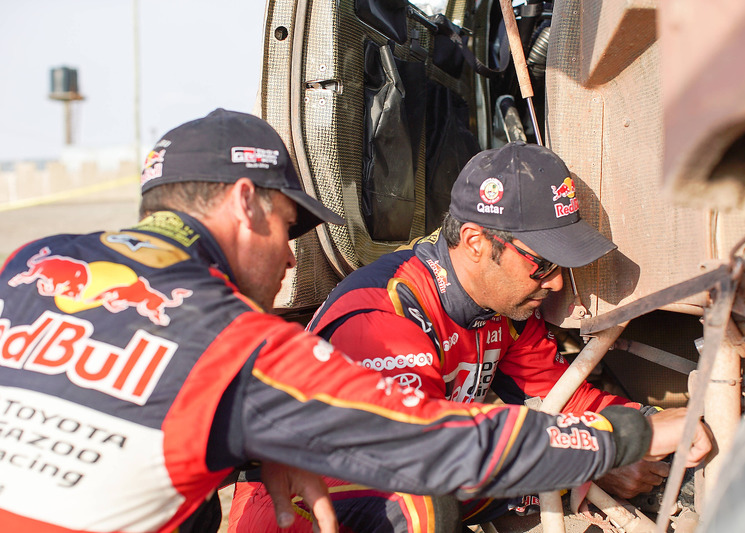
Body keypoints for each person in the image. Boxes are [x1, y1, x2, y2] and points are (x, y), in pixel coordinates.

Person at [0, 111, 709, 533]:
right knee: (424, 497)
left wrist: (251, 438)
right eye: (289, 225)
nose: (290, 259)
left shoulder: (30, 261)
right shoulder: (250, 341)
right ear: (245, 202)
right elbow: (435, 448)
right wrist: (629, 437)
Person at [230, 141, 694, 532]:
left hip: (418, 478)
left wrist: (659, 420)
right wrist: (599, 455)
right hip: (302, 508)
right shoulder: (384, 318)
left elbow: (563, 400)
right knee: (426, 503)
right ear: (475, 243)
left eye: (562, 266)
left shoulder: (503, 308)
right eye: (543, 263)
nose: (554, 283)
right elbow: (435, 456)